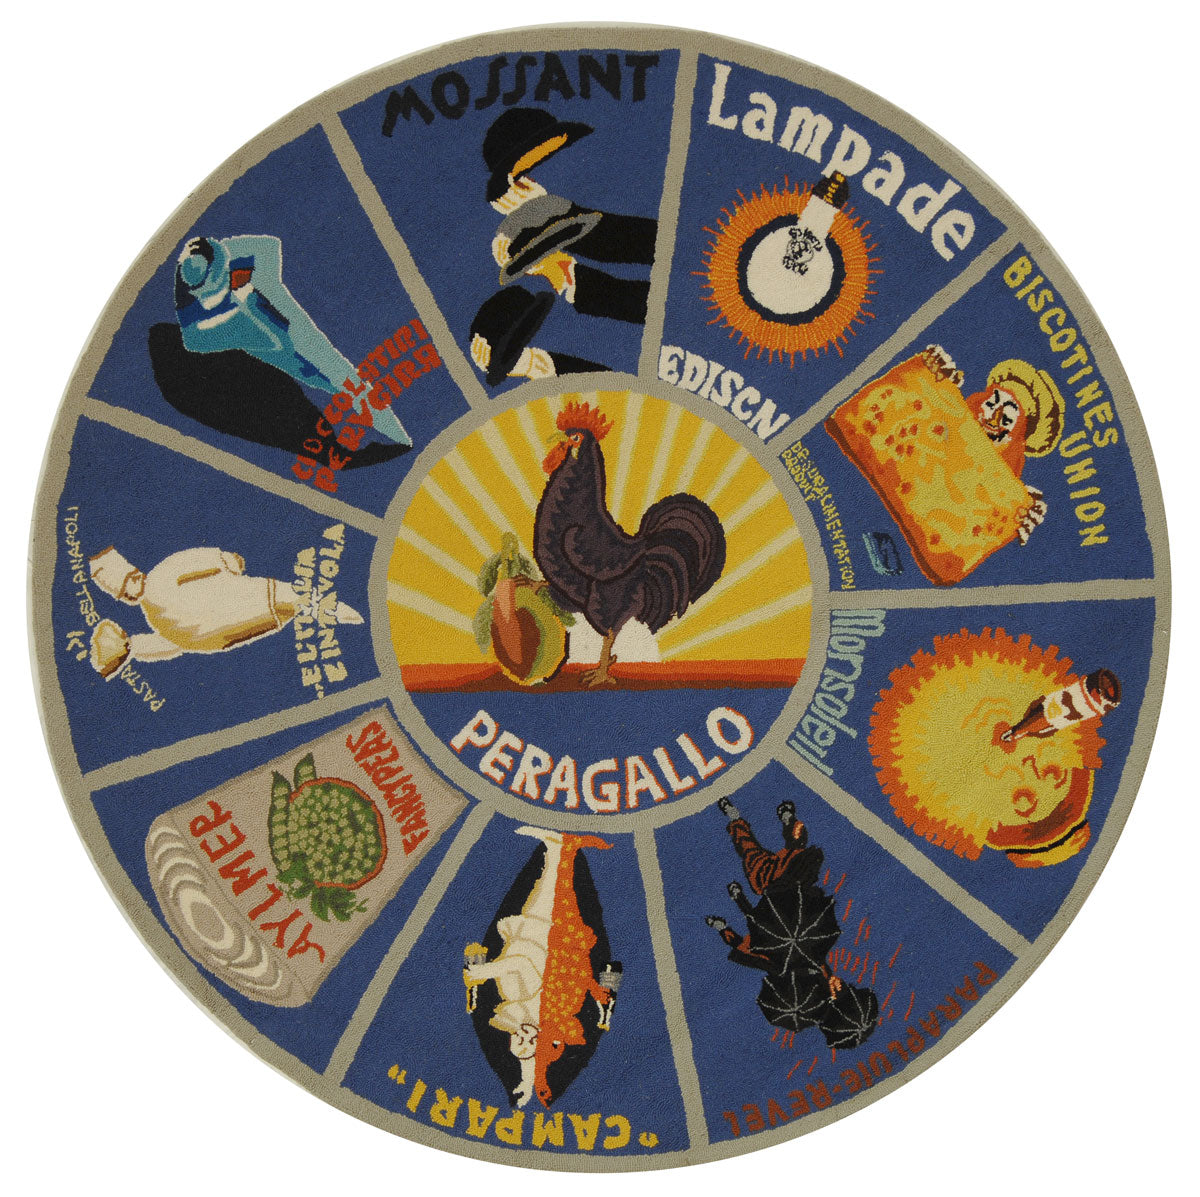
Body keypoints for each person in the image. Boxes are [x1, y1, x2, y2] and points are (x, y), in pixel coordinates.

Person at [86, 544, 361, 676]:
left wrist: (134, 647)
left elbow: (197, 562)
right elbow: (174, 645)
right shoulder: (158, 602)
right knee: (295, 600)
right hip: (247, 608)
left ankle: (346, 615)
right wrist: (227, 561)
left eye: (129, 584)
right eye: (126, 592)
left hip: (245, 612)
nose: (131, 592)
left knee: (294, 603)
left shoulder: (159, 595)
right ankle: (346, 615)